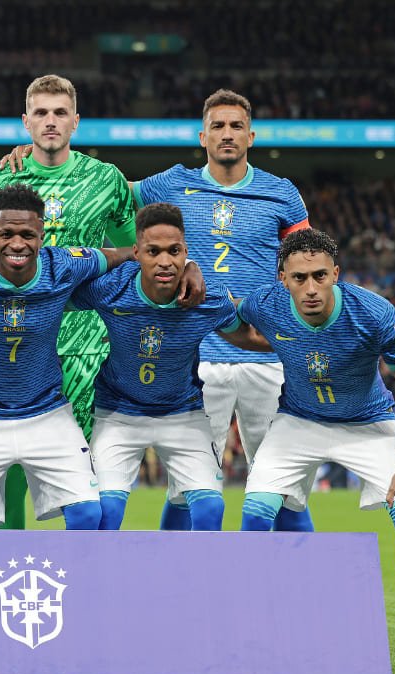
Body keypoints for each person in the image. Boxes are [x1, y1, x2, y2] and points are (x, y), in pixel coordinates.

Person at [0, 74, 203, 529]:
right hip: (13, 340)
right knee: (11, 456)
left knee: (86, 466)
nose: (50, 122)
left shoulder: (106, 180)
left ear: (76, 121)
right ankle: (14, 549)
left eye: (59, 113)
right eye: (41, 113)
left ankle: (84, 571)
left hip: (88, 342)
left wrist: (186, 265)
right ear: (25, 121)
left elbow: (138, 252)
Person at [235, 228, 395, 672]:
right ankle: (253, 630)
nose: (310, 288)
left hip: (367, 423)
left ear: (336, 274)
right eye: (298, 278)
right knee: (255, 514)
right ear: (282, 278)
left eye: (319, 276)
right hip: (298, 421)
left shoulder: (375, 313)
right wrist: (267, 344)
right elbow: (233, 323)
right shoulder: (265, 303)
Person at [135, 89, 315, 532]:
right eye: (218, 126)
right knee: (186, 486)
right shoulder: (169, 184)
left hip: (265, 356)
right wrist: (39, 154)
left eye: (236, 126)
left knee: (283, 485)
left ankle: (298, 587)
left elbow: (307, 262)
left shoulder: (282, 193)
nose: (227, 134)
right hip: (195, 357)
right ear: (203, 136)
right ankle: (176, 584)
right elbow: (106, 190)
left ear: (251, 136)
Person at [0, 184, 134, 530]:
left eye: (27, 234)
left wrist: (188, 264)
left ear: (42, 236)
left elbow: (124, 253)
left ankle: (79, 584)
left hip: (47, 413)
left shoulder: (66, 265)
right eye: (6, 234)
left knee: (88, 514)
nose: (17, 244)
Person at [70, 203, 270, 529]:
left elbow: (245, 336)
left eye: (174, 251)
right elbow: (54, 299)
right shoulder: (111, 288)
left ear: (186, 253)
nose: (165, 261)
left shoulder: (206, 299)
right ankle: (100, 578)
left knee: (209, 509)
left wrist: (303, 343)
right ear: (137, 253)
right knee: (106, 511)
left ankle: (187, 579)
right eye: (153, 251)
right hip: (118, 414)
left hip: (183, 415)